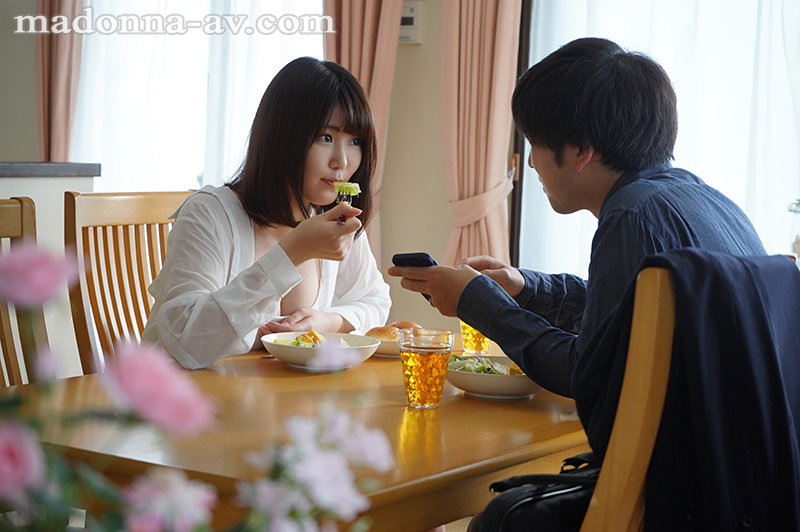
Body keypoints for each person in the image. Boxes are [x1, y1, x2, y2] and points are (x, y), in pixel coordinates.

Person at [387, 37, 767, 400]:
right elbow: (625, 319)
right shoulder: (704, 199)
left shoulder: (632, 216)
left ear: (581, 151)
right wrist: (524, 287)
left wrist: (478, 304)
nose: (531, 162)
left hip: (686, 448)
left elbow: (588, 375)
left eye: (535, 143)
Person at [142, 57, 391, 369]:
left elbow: (375, 300)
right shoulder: (208, 214)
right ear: (283, 136)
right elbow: (188, 343)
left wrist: (328, 321)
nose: (342, 161)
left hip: (272, 393)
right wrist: (291, 253)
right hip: (184, 391)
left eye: (355, 141)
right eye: (326, 137)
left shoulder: (332, 218)